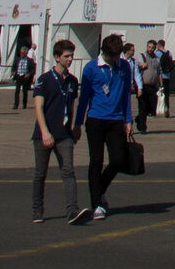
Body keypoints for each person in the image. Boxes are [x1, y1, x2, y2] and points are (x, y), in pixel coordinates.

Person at [74, 33, 136, 221]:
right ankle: (97, 204)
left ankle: (99, 188)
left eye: (118, 56)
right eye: (112, 57)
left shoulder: (124, 66)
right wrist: (77, 123)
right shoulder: (91, 68)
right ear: (104, 53)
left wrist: (128, 119)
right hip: (96, 119)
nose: (116, 60)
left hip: (116, 119)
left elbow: (126, 94)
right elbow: (84, 98)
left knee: (118, 159)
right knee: (96, 161)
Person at [32, 39, 85, 225]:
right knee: (40, 173)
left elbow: (71, 106)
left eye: (71, 56)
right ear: (57, 57)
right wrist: (45, 132)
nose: (70, 59)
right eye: (66, 56)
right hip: (44, 133)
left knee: (68, 171)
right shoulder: (44, 80)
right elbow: (38, 107)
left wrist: (76, 127)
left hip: (64, 134)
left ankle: (72, 210)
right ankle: (37, 209)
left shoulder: (72, 81)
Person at [136, 43, 160, 130]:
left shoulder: (156, 58)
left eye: (153, 48)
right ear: (147, 47)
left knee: (151, 107)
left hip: (153, 86)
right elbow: (135, 69)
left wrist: (160, 85)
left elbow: (158, 72)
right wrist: (141, 66)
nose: (151, 49)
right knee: (142, 106)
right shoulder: (141, 56)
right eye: (149, 47)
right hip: (143, 85)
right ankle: (142, 126)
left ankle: (139, 118)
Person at [12, 44, 36, 110]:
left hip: (25, 77)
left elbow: (33, 69)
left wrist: (29, 74)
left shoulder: (30, 60)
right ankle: (16, 104)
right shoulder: (18, 59)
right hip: (18, 76)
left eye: (23, 53)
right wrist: (13, 71)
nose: (22, 54)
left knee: (25, 91)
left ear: (26, 53)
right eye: (21, 52)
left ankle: (24, 104)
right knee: (17, 91)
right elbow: (14, 66)